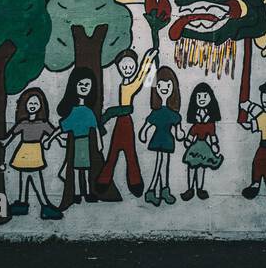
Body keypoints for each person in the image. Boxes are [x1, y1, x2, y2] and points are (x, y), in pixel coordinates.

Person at [97, 47, 156, 198]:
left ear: (135, 66)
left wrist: (148, 60)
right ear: (119, 68)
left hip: (125, 122)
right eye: (124, 67)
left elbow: (141, 77)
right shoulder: (124, 85)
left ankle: (124, 181)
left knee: (125, 152)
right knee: (117, 152)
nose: (128, 69)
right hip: (121, 122)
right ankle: (124, 181)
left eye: (131, 66)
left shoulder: (129, 86)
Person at [2, 88, 64, 220]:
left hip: (34, 152)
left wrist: (60, 140)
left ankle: (43, 205)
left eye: (36, 103)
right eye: (30, 103)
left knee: (35, 179)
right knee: (24, 179)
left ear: (41, 106)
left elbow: (53, 133)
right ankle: (24, 204)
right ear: (25, 104)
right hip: (24, 152)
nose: (33, 106)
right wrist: (3, 143)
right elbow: (12, 135)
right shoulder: (23, 123)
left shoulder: (43, 124)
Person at [139, 67, 184, 208]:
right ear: (156, 88)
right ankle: (152, 190)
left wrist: (181, 134)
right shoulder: (156, 112)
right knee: (160, 162)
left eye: (168, 85)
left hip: (168, 141)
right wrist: (143, 134)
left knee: (165, 164)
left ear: (173, 88)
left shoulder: (173, 113)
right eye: (160, 85)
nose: (164, 88)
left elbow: (179, 131)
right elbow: (146, 127)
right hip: (159, 139)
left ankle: (164, 190)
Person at [57, 67, 103, 203]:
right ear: (74, 86)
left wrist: (99, 144)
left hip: (86, 143)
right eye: (80, 84)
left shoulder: (89, 111)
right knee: (77, 169)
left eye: (87, 84)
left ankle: (88, 192)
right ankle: (77, 193)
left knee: (87, 169)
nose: (84, 87)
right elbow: (62, 127)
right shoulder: (73, 111)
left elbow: (95, 128)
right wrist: (52, 138)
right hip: (77, 143)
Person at [181, 82, 222, 201]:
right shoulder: (196, 121)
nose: (202, 99)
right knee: (191, 167)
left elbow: (212, 135)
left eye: (205, 96)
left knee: (201, 168)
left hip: (204, 146)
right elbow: (192, 132)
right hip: (195, 146)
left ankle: (199, 188)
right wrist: (188, 141)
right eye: (199, 96)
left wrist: (214, 145)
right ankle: (190, 189)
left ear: (210, 98)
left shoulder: (210, 123)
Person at [242, 81, 266, 202]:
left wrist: (245, 121)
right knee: (261, 165)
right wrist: (247, 105)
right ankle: (261, 185)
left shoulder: (265, 116)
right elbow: (257, 111)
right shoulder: (264, 114)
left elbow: (256, 115)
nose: (265, 98)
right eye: (264, 95)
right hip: (264, 146)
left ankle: (265, 185)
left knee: (262, 165)